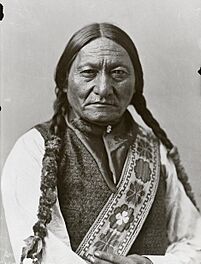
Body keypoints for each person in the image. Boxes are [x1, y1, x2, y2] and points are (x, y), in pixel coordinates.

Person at [1, 23, 201, 264]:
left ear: (136, 84)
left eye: (118, 73)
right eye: (88, 72)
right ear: (65, 82)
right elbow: (40, 254)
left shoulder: (154, 150)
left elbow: (194, 244)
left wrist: (147, 263)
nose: (104, 89)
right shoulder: (34, 149)